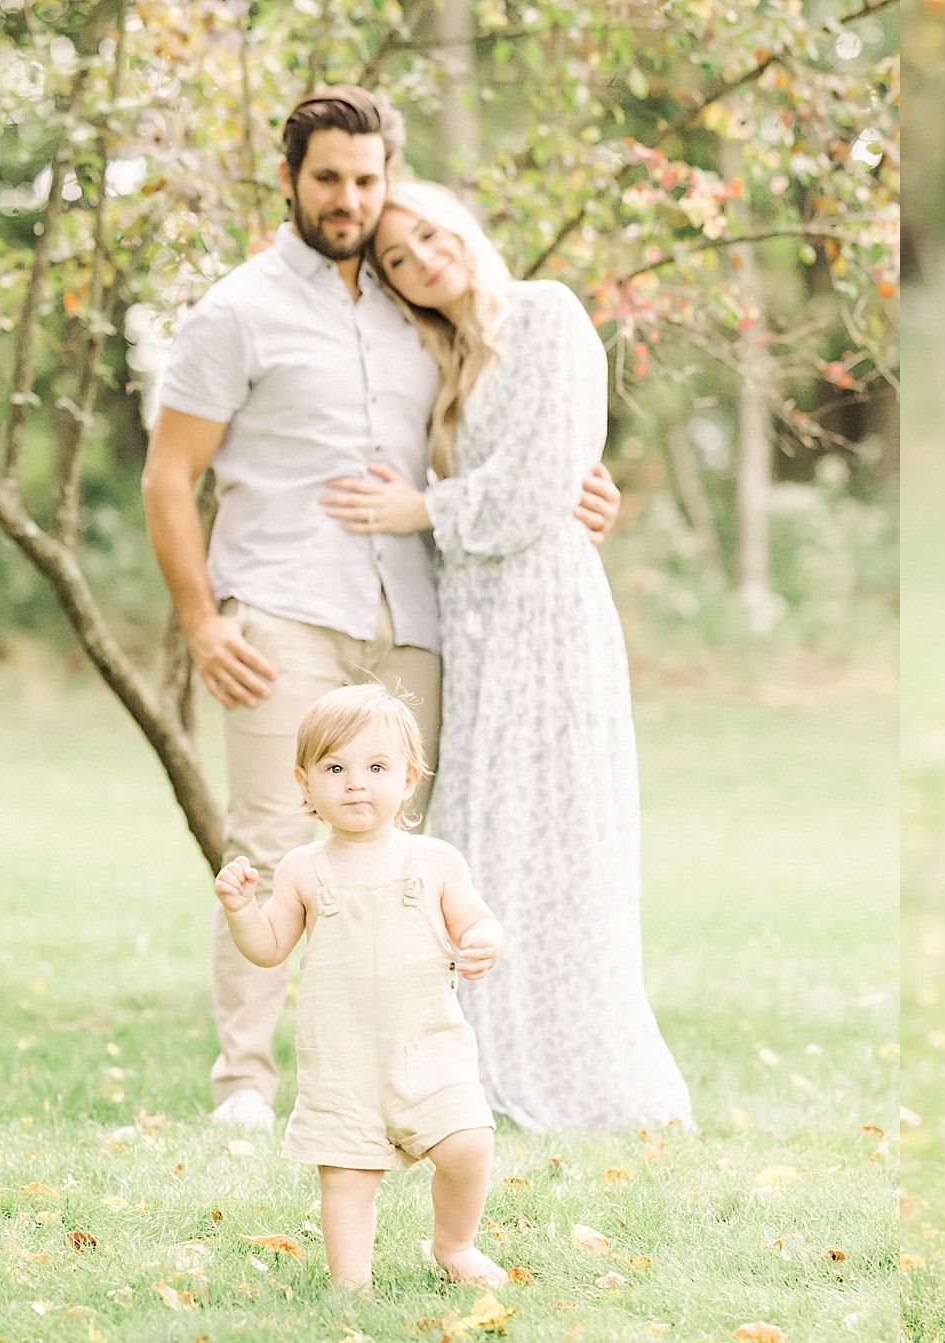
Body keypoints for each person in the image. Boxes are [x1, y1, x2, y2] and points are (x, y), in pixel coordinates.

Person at [142, 87, 619, 1131]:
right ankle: (246, 1084)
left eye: (367, 179)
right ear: (289, 182)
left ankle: (403, 1067)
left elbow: (497, 437)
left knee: (405, 858)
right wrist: (201, 620)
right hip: (285, 611)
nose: (349, 199)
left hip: (416, 621)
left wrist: (579, 484)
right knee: (275, 843)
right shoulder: (237, 312)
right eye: (328, 179)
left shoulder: (418, 312)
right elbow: (168, 475)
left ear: (388, 181)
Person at [314, 179, 693, 1133]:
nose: (419, 260)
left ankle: (582, 1069)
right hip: (475, 630)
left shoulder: (547, 316)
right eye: (397, 259)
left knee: (561, 839)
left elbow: (535, 489)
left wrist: (421, 508)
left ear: (463, 228)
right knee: (484, 839)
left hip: (546, 618)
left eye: (429, 236)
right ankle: (463, 1064)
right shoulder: (447, 361)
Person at [214, 683, 507, 1288]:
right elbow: (269, 949)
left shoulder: (436, 861)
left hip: (429, 1048)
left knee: (469, 1145)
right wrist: (242, 909)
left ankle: (454, 1245)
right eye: (335, 768)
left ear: (407, 781)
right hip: (343, 1060)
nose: (355, 783)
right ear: (305, 784)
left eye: (376, 767)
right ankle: (351, 1284)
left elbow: (475, 919)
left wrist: (484, 940)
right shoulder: (302, 870)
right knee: (347, 1179)